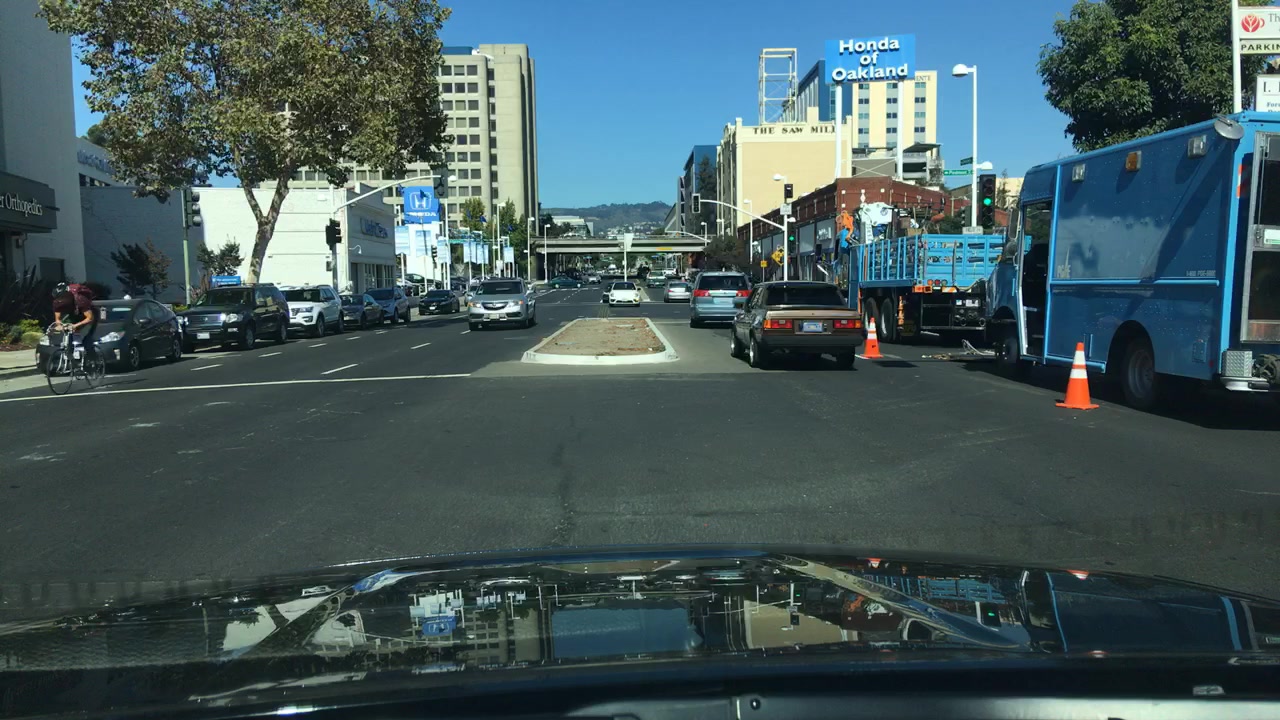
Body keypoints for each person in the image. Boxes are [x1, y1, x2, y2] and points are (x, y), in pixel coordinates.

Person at [51, 283, 98, 363]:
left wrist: (76, 325)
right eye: (58, 299)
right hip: (72, 316)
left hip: (86, 318)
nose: (60, 301)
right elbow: (58, 319)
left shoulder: (80, 299)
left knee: (85, 340)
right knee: (68, 338)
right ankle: (72, 359)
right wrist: (60, 326)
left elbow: (90, 318)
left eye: (63, 298)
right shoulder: (57, 303)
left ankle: (92, 360)